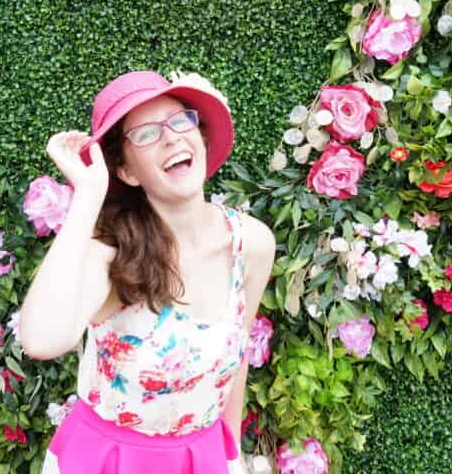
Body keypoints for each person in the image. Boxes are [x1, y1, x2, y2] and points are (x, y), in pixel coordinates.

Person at [19, 70, 276, 474]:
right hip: (108, 461)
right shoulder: (110, 255)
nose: (172, 137)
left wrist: (233, 456)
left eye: (180, 120)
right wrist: (87, 197)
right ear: (126, 171)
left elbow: (237, 356)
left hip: (203, 458)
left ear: (201, 137)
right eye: (146, 134)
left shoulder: (252, 244)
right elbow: (40, 339)